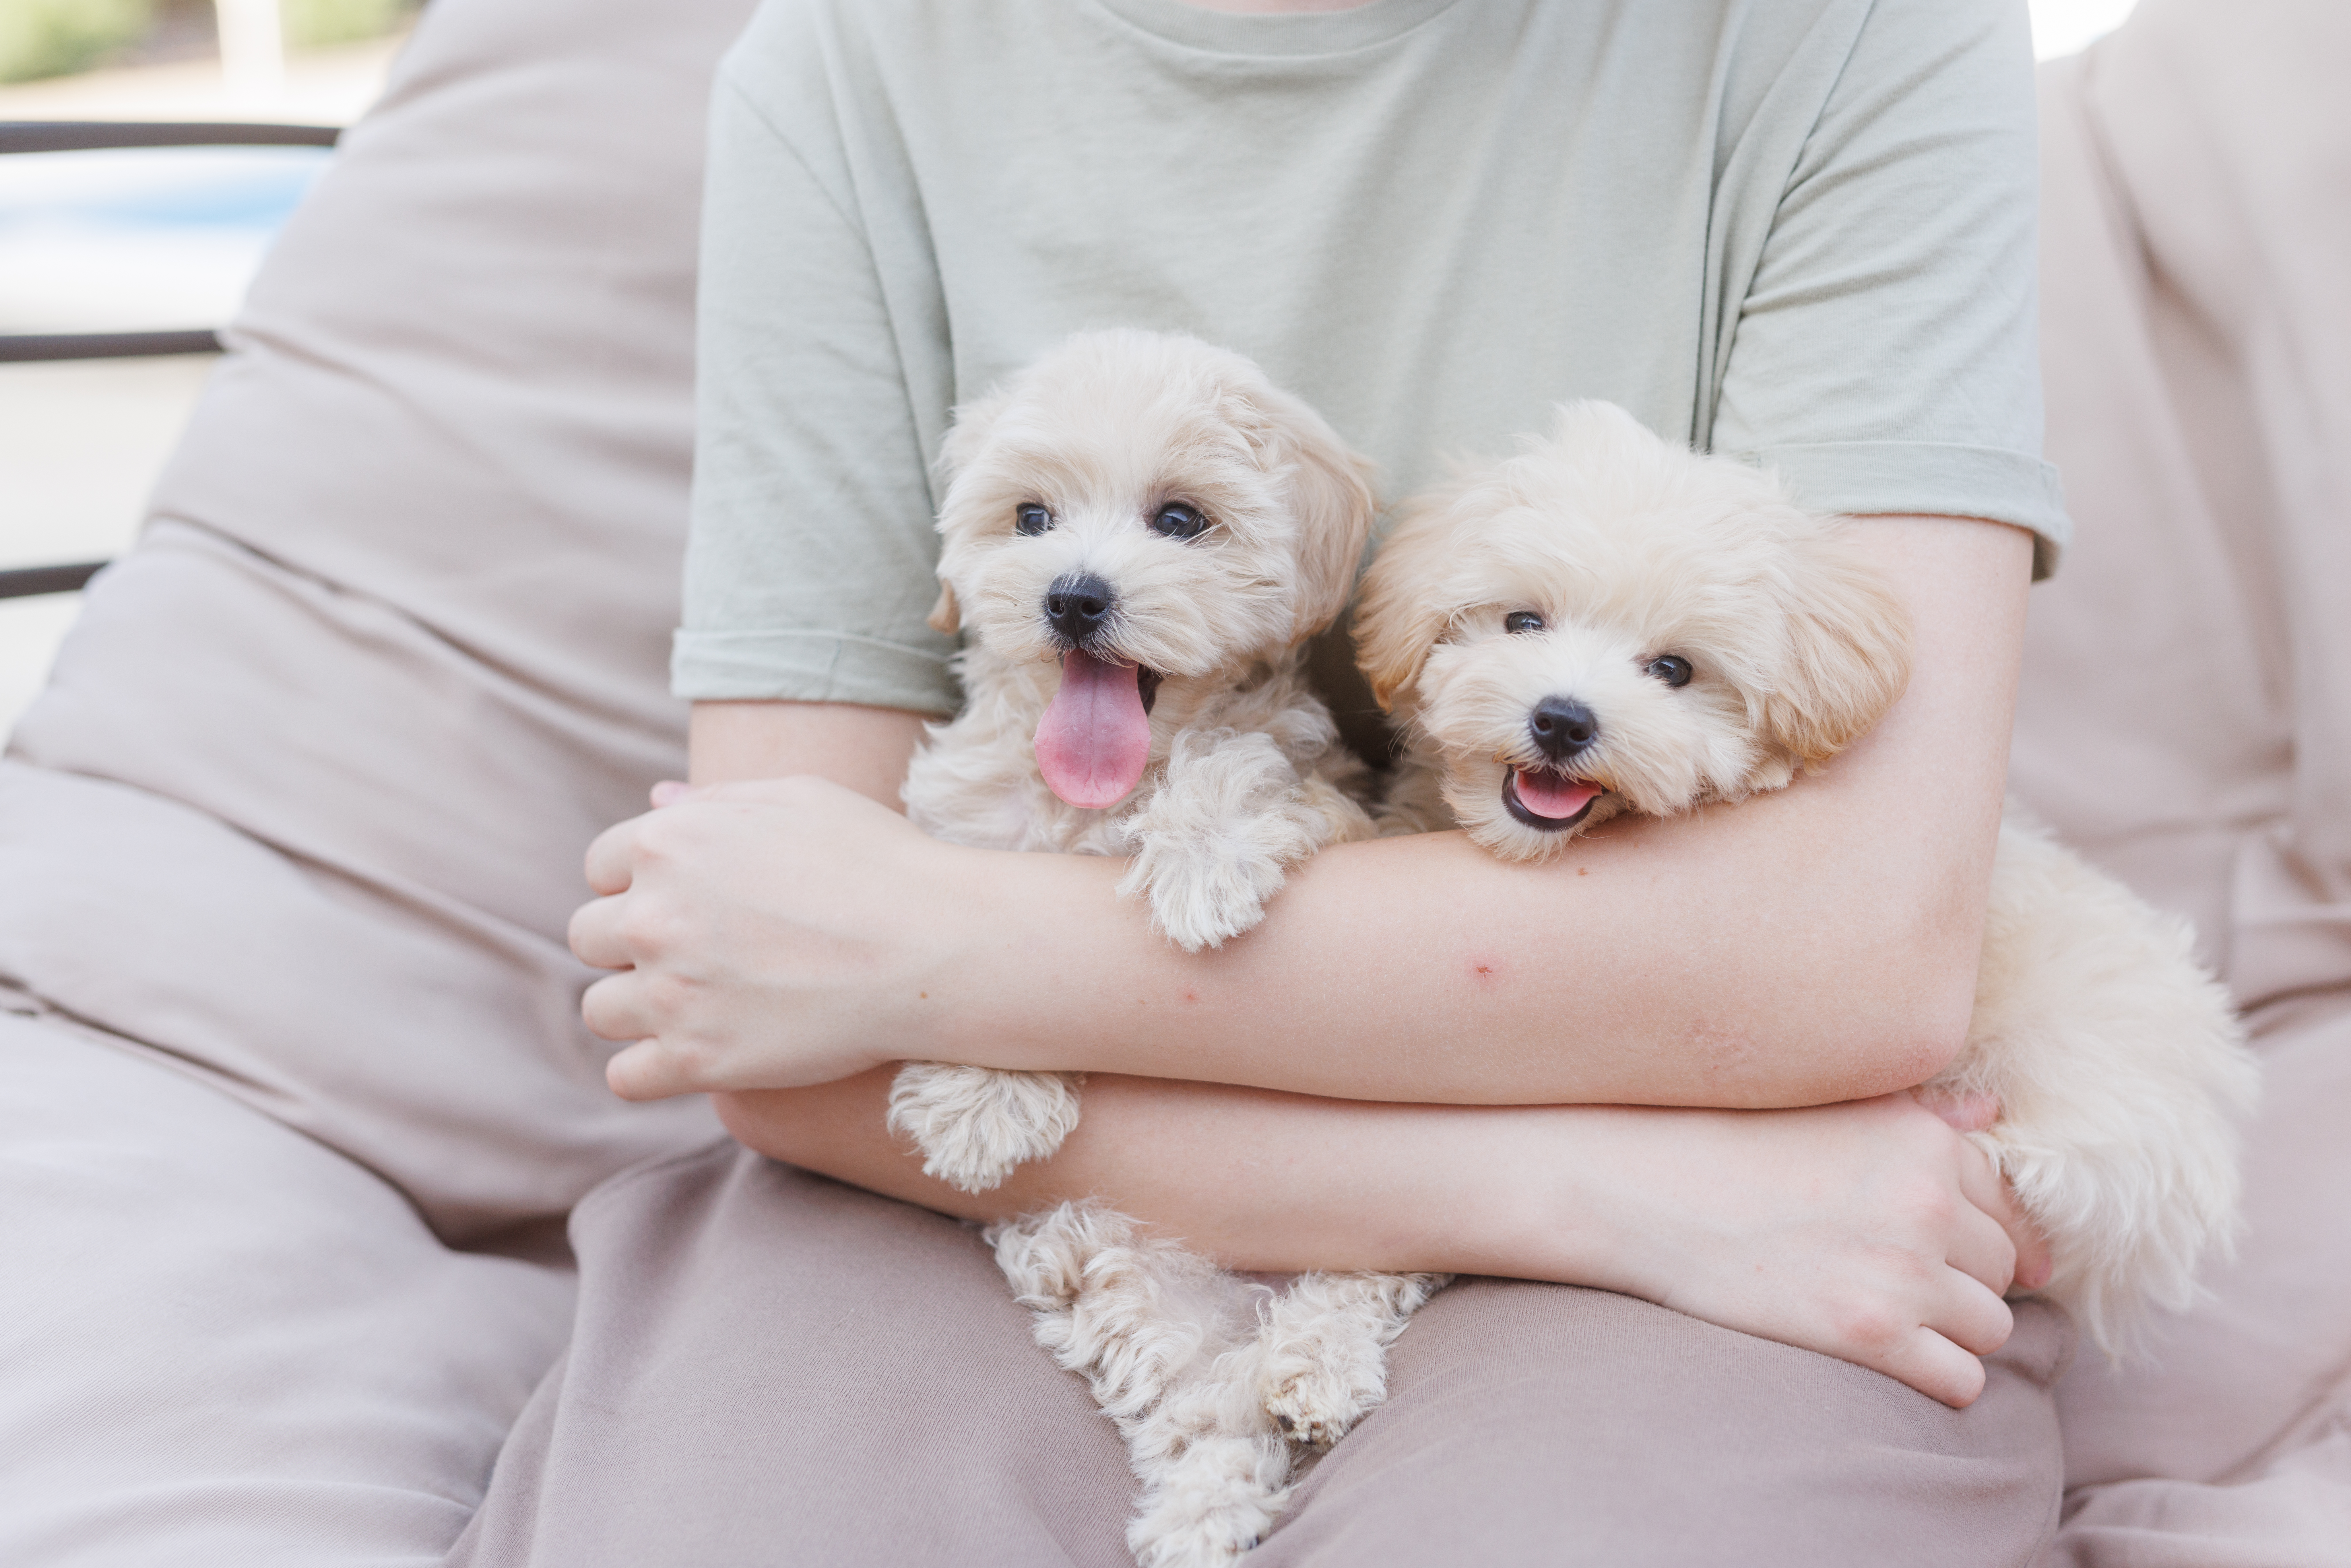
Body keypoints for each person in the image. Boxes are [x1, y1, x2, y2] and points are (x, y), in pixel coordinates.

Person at [463, 0, 2078, 1561]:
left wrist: (924, 952)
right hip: (1606, 1167)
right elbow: (768, 1006)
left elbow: (1852, 944)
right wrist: (1587, 1187)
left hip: (1682, 1207)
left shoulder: (1862, 25)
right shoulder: (852, 57)